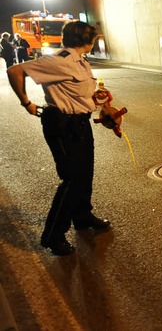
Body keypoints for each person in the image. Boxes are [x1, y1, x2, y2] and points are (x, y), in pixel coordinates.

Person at [7, 21, 111, 256]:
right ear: (86, 39)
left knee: (85, 174)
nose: (94, 41)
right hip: (62, 125)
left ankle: (82, 217)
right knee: (72, 179)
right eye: (92, 38)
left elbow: (81, 92)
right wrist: (27, 103)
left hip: (80, 123)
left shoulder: (81, 61)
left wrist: (100, 100)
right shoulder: (60, 60)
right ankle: (54, 235)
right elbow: (15, 71)